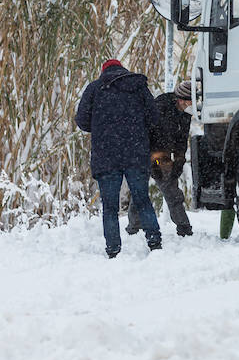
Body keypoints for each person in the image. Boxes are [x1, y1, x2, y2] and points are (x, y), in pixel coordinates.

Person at [75, 58, 163, 257]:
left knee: (110, 206)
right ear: (122, 69)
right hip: (136, 152)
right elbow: (154, 118)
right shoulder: (138, 87)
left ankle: (113, 249)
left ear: (103, 71)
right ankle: (154, 241)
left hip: (106, 155)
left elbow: (82, 121)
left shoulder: (95, 89)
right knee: (142, 200)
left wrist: (101, 126)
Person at [128, 80, 194, 237]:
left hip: (163, 156)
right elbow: (150, 136)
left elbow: (181, 142)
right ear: (182, 99)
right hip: (143, 153)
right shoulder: (160, 107)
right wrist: (153, 162)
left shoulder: (185, 116)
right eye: (190, 100)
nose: (192, 103)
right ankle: (134, 228)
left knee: (173, 192)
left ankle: (184, 229)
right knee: (139, 191)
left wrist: (179, 162)